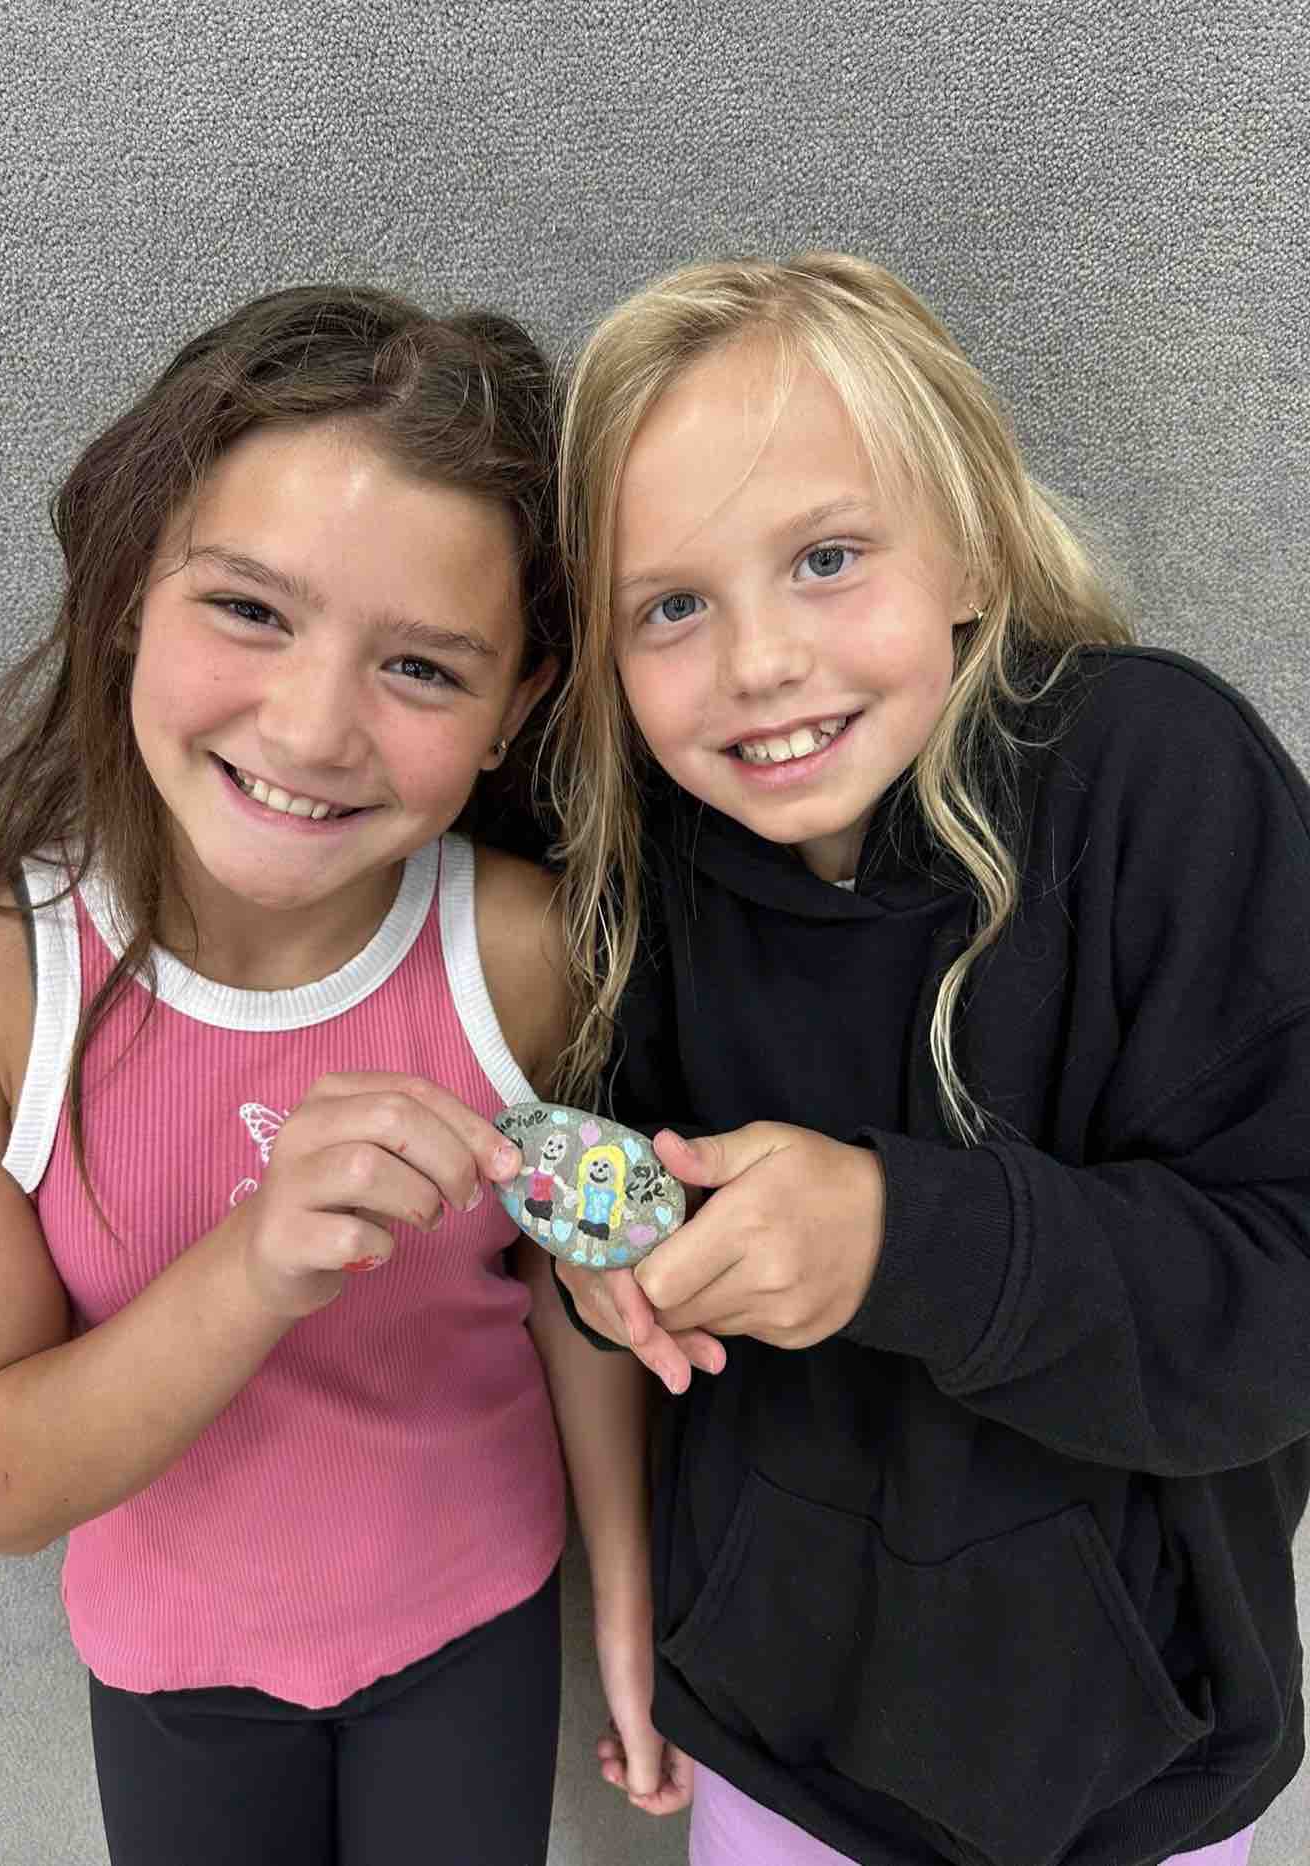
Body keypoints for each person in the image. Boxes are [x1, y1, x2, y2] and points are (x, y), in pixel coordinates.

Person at [548, 253, 1310, 1866]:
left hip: (1132, 1774)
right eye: (671, 605)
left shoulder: (1153, 781)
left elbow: (1282, 1283)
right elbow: (623, 1166)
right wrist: (600, 1255)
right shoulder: (656, 862)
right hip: (778, 1744)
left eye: (826, 557)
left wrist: (902, 1239)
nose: (757, 660)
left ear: (968, 548)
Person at [0, 285, 681, 1866]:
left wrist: (627, 1603)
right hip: (172, 1666)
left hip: (474, 1623)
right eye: (251, 610)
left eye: (421, 667)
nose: (316, 726)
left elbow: (575, 1284)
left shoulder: (525, 950)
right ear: (131, 587)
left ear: (514, 707)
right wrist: (253, 1263)